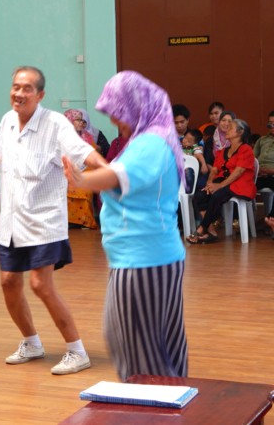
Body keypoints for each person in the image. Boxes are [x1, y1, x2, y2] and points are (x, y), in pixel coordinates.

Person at [62, 70, 188, 381]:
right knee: (151, 345)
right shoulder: (151, 139)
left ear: (137, 106)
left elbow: (118, 175)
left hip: (144, 259)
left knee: (139, 352)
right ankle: (169, 396)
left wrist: (81, 180)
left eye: (118, 112)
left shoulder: (151, 143)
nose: (115, 120)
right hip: (146, 257)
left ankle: (156, 402)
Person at [0, 66, 106, 376]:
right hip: (11, 222)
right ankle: (32, 342)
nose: (19, 93)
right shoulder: (7, 121)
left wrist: (109, 172)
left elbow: (83, 152)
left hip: (44, 222)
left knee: (40, 284)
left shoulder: (55, 124)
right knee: (9, 282)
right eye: (15, 87)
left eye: (27, 88)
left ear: (40, 95)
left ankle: (77, 351)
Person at [187, 119, 256, 244]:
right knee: (200, 196)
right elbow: (214, 170)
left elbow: (238, 172)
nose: (227, 129)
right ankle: (211, 232)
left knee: (217, 195)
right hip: (223, 183)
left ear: (240, 132)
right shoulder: (223, 151)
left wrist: (219, 186)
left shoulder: (246, 149)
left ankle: (201, 228)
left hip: (240, 184)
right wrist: (209, 184)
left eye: (231, 127)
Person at [63, 109, 99, 229]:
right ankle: (66, 221)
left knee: (83, 188)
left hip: (84, 171)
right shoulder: (61, 137)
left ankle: (83, 221)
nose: (81, 123)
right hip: (65, 171)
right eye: (77, 120)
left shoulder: (87, 137)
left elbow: (92, 156)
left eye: (82, 120)